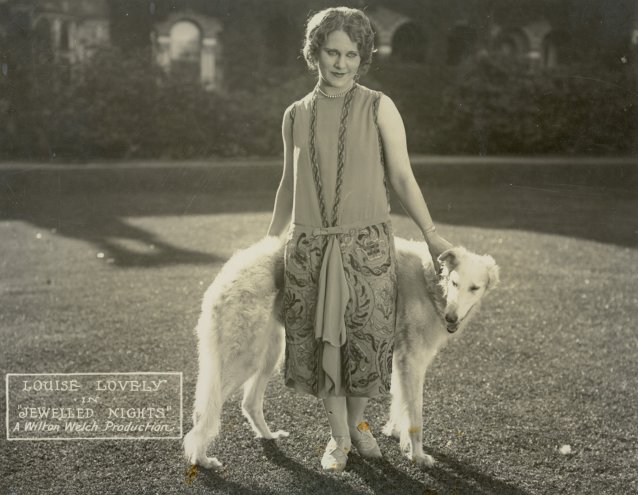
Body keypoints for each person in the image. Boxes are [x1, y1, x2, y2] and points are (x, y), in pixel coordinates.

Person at [267, 7, 452, 472]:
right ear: (315, 53)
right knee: (323, 345)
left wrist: (431, 237)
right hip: (309, 247)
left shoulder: (379, 106)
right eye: (332, 51)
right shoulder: (295, 114)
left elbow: (403, 177)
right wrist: (269, 244)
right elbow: (288, 184)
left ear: (363, 56)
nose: (341, 62)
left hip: (368, 247)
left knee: (367, 343)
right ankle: (338, 438)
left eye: (352, 53)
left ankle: (357, 423)